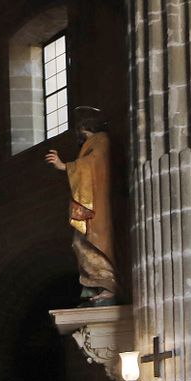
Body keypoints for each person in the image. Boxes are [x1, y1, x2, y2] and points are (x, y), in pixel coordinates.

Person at [45, 111, 120, 305]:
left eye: (83, 134)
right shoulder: (92, 142)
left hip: (98, 206)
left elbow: (93, 163)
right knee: (80, 243)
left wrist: (64, 166)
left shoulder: (100, 139)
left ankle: (107, 286)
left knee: (91, 242)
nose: (81, 138)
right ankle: (98, 286)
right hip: (92, 202)